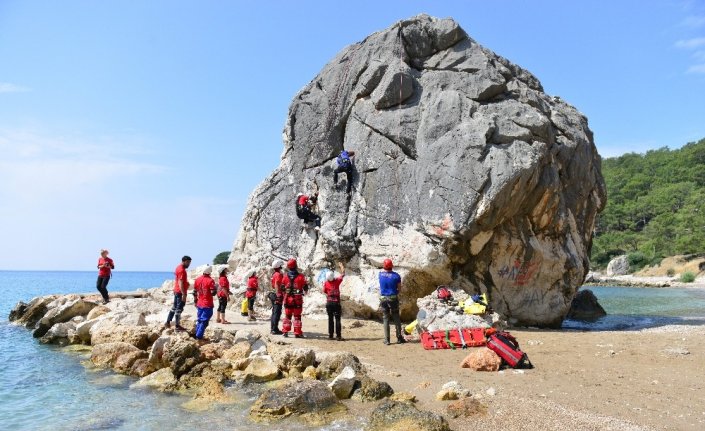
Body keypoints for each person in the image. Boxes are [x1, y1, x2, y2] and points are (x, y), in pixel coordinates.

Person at [379, 258, 405, 345]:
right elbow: (399, 288)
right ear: (392, 266)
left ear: (384, 266)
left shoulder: (380, 275)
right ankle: (399, 338)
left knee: (386, 318)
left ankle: (387, 340)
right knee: (396, 317)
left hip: (383, 299)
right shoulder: (396, 276)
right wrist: (396, 292)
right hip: (393, 298)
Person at [281, 258, 309, 338]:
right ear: (296, 265)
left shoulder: (285, 277)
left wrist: (286, 292)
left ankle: (285, 331)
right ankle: (297, 333)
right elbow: (305, 287)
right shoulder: (301, 276)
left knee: (288, 316)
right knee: (297, 316)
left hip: (287, 299)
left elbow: (282, 287)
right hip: (297, 299)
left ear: (288, 267)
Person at [164, 255, 192, 331]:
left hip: (177, 291)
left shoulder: (178, 267)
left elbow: (179, 280)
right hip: (180, 292)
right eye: (188, 262)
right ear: (184, 261)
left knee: (174, 308)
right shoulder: (182, 270)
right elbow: (180, 282)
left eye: (190, 262)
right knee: (179, 309)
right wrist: (184, 294)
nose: (189, 264)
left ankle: (167, 322)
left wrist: (186, 283)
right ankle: (177, 326)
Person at [193, 266, 217, 340]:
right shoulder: (210, 280)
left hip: (200, 303)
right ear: (210, 272)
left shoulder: (197, 279)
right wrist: (216, 288)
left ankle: (197, 334)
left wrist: (195, 301)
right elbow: (213, 293)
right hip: (207, 303)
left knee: (200, 319)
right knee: (204, 321)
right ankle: (199, 336)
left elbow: (194, 292)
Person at [323, 262, 345, 340]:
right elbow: (343, 274)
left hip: (329, 303)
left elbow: (324, 291)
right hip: (336, 303)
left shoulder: (326, 283)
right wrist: (341, 266)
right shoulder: (337, 281)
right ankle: (338, 336)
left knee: (330, 319)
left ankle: (331, 335)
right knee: (337, 319)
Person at [269, 259, 285, 335]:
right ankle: (274, 329)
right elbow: (276, 284)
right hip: (276, 295)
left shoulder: (274, 274)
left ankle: (273, 328)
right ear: (279, 266)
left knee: (274, 312)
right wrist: (278, 295)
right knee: (276, 312)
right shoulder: (278, 274)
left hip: (272, 294)